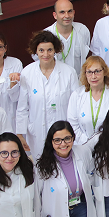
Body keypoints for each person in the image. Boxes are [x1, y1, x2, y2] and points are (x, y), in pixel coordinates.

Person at [17, 30, 79, 159]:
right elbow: (22, 107)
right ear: (36, 51)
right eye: (41, 50)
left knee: (63, 162)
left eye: (49, 50)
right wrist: (20, 134)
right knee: (40, 164)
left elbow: (76, 106)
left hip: (63, 133)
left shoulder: (69, 72)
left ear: (55, 50)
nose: (46, 54)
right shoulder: (27, 73)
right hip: (37, 132)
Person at [67, 56, 109, 145]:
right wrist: (87, 142)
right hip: (83, 146)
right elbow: (72, 124)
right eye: (89, 72)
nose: (93, 76)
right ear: (85, 74)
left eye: (97, 71)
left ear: (105, 72)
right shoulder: (77, 95)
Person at [37, 0, 91, 75]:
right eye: (62, 12)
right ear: (55, 15)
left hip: (78, 79)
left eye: (70, 11)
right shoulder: (45, 36)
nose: (67, 16)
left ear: (74, 12)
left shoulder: (82, 30)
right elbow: (40, 60)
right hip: (56, 79)